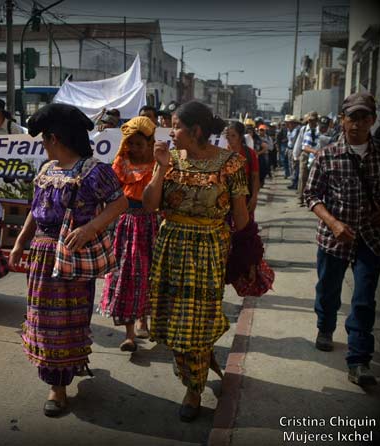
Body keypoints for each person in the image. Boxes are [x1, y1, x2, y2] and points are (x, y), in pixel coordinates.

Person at [8, 103, 127, 417]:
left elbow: (120, 202)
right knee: (42, 321)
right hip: (42, 256)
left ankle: (59, 384)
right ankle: (56, 382)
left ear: (55, 138)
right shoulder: (47, 170)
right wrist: (20, 244)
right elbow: (35, 211)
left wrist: (90, 228)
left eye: (45, 140)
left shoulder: (94, 171)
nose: (43, 146)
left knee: (67, 322)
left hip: (72, 259)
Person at [142, 101, 249, 422]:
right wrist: (160, 168)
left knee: (197, 322)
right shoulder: (169, 159)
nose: (169, 132)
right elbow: (149, 205)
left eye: (174, 125)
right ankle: (195, 370)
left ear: (196, 131)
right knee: (174, 321)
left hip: (207, 252)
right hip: (171, 247)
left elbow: (241, 220)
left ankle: (193, 387)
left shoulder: (231, 163)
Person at [304, 92, 380, 386]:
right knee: (328, 290)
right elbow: (311, 195)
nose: (357, 123)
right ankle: (325, 326)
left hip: (371, 238)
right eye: (351, 117)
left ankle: (358, 360)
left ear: (372, 120)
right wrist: (334, 223)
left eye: (363, 117)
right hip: (333, 238)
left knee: (364, 299)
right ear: (342, 119)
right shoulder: (328, 155)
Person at [98, 116, 159, 351]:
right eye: (130, 143)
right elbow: (111, 196)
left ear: (150, 143)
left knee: (149, 274)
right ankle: (130, 334)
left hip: (152, 225)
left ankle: (146, 319)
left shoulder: (160, 165)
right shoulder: (120, 163)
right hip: (125, 226)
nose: (133, 148)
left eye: (139, 144)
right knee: (125, 276)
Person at [226, 121, 260, 215]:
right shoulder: (222, 153)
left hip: (245, 198)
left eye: (233, 136)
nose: (229, 138)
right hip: (225, 199)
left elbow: (255, 177)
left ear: (240, 137)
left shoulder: (250, 153)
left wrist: (254, 198)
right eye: (227, 135)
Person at [296, 111, 318, 206]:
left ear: (316, 120)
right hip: (305, 155)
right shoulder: (304, 129)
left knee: (312, 178)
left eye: (313, 120)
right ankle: (300, 197)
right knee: (302, 176)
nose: (311, 122)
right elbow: (299, 141)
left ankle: (309, 199)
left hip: (316, 155)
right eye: (309, 120)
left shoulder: (319, 129)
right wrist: (295, 154)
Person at [285, 114, 302, 189]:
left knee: (295, 166)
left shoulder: (298, 130)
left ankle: (295, 182)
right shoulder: (290, 130)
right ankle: (293, 181)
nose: (288, 124)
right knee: (291, 166)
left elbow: (295, 141)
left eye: (290, 122)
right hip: (290, 149)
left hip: (294, 149)